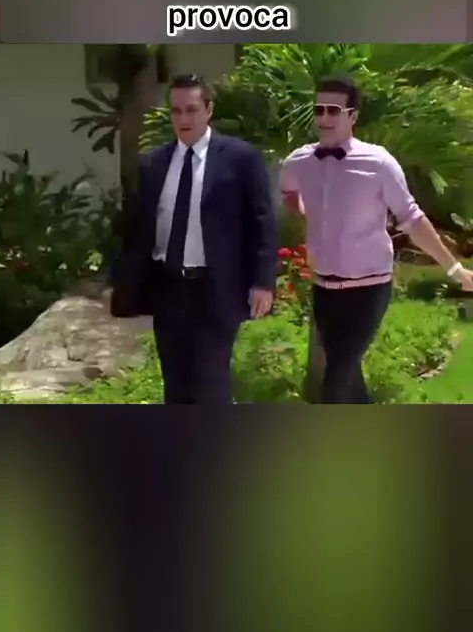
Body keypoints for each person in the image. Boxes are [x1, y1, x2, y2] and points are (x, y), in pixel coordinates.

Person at [280, 74, 473, 404]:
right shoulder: (299, 162)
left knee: (335, 381)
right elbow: (289, 192)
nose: (324, 118)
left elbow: (412, 218)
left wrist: (455, 269)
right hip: (324, 288)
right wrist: (304, 213)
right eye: (319, 110)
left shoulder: (378, 163)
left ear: (353, 116)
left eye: (333, 110)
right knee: (348, 379)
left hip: (369, 288)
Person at [110, 73, 277, 404]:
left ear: (208, 110)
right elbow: (134, 227)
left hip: (217, 288)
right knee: (176, 382)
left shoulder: (240, 159)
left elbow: (262, 221)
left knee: (210, 381)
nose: (183, 118)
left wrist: (263, 281)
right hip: (169, 288)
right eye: (176, 111)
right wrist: (119, 278)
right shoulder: (153, 164)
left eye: (191, 109)